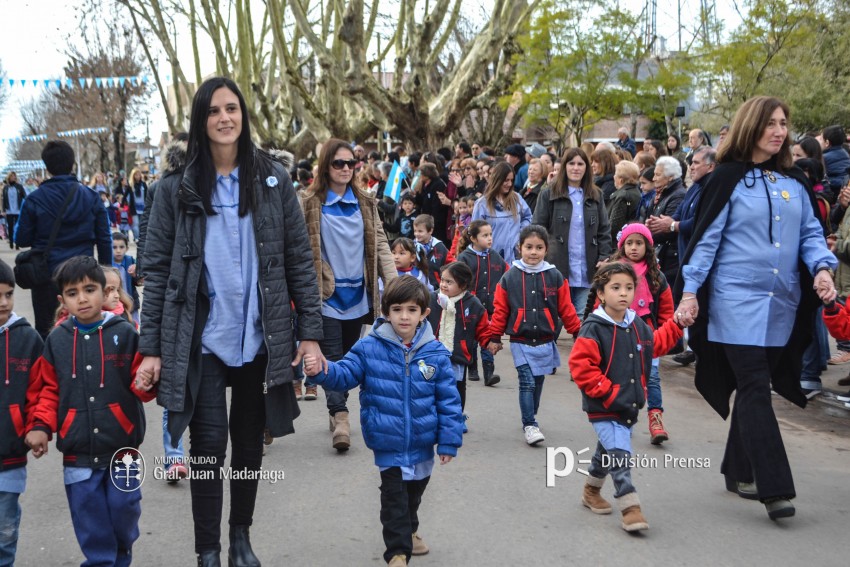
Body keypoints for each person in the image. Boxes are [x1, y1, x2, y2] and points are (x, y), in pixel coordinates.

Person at [138, 77, 325, 566]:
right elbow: (155, 271)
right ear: (201, 121)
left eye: (232, 109)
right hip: (200, 338)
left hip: (260, 339)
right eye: (214, 111)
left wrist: (310, 335)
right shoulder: (173, 190)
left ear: (243, 116)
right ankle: (208, 550)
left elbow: (298, 261)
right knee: (207, 444)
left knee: (248, 444)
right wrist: (152, 347)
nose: (225, 118)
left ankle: (240, 536)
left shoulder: (272, 180)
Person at [677, 95, 837, 520]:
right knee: (752, 383)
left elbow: (810, 235)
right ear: (751, 127)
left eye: (784, 123)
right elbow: (706, 241)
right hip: (734, 300)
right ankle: (774, 487)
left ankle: (736, 468)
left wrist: (821, 270)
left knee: (756, 385)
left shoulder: (796, 181)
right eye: (770, 123)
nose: (779, 131)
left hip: (781, 302)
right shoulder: (726, 178)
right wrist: (690, 292)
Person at [302, 276, 463, 567]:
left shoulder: (436, 353)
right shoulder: (368, 347)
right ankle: (398, 554)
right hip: (387, 441)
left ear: (424, 313)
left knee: (413, 495)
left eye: (412, 309)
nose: (404, 316)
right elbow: (344, 374)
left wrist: (450, 440)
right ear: (386, 312)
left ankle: (411, 528)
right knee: (394, 499)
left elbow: (449, 400)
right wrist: (320, 370)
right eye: (397, 309)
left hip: (424, 442)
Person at [25, 256, 156, 566]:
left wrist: (145, 381)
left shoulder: (124, 334)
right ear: (62, 300)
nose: (82, 298)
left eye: (89, 289)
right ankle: (101, 562)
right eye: (73, 293)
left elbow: (142, 385)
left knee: (125, 508)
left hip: (123, 448)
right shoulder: (56, 340)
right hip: (77, 451)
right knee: (89, 517)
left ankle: (122, 550)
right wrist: (41, 425)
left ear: (105, 291)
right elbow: (46, 389)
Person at [569, 262, 685, 532]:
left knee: (607, 450)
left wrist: (677, 324)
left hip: (628, 405)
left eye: (629, 288)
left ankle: (590, 491)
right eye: (616, 287)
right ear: (600, 293)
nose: (623, 293)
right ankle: (630, 507)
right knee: (620, 454)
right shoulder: (593, 328)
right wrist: (609, 392)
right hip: (603, 405)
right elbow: (581, 368)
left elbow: (655, 345)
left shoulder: (638, 326)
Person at [302, 137, 396, 453]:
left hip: (358, 297)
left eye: (350, 163)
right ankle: (340, 417)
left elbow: (381, 244)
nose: (345, 168)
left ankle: (336, 405)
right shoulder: (309, 203)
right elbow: (299, 251)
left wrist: (393, 286)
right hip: (324, 297)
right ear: (325, 167)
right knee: (332, 357)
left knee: (348, 356)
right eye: (337, 163)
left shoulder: (366, 202)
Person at [487, 225, 582, 445]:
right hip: (520, 339)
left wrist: (578, 331)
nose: (533, 252)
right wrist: (494, 337)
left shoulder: (554, 276)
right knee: (527, 382)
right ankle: (529, 424)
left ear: (546, 250)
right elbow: (500, 310)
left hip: (546, 340)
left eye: (539, 247)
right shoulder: (510, 277)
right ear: (520, 248)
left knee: (538, 382)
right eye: (528, 247)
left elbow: (566, 307)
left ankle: (532, 413)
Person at [14, 140, 112, 339]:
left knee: (46, 330)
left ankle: (50, 369)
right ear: (72, 163)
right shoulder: (91, 197)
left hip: (47, 275)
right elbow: (104, 239)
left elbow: (21, 238)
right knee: (87, 329)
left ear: (47, 167)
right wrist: (105, 273)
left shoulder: (34, 199)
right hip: (85, 275)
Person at [605, 224, 675, 444]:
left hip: (648, 335)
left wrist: (666, 334)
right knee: (623, 377)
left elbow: (666, 310)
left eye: (639, 243)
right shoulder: (612, 273)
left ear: (648, 246)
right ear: (622, 246)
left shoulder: (657, 277)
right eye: (629, 243)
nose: (634, 248)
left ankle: (656, 418)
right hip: (619, 334)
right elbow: (601, 303)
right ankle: (624, 417)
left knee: (652, 378)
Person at [648, 147, 717, 367]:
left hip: (696, 257)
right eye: (692, 163)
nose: (692, 167)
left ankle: (702, 352)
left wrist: (672, 225)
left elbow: (700, 222)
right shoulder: (694, 188)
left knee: (699, 307)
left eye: (696, 162)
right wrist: (665, 223)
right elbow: (678, 216)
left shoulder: (712, 188)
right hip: (685, 254)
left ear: (711, 166)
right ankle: (693, 347)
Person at [533, 147, 613, 316]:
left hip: (587, 269)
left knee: (583, 321)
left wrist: (604, 257)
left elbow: (604, 230)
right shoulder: (548, 194)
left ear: (586, 167)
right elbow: (537, 229)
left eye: (580, 164)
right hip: (556, 267)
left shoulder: (596, 195)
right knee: (552, 320)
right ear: (564, 167)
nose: (576, 168)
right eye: (571, 163)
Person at [0, 261, 43, 567]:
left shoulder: (27, 339)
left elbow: (43, 391)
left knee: (4, 531)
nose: (3, 302)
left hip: (10, 456)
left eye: (8, 294)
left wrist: (38, 426)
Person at [427, 262, 490, 432]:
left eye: (449, 282)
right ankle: (433, 417)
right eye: (443, 280)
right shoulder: (432, 299)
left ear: (462, 285)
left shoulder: (473, 304)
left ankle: (457, 417)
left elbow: (483, 328)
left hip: (458, 355)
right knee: (431, 386)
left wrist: (489, 342)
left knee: (456, 389)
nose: (443, 285)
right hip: (431, 354)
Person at [456, 220, 508, 386]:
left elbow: (506, 274)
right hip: (470, 307)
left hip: (490, 307)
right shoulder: (464, 257)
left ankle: (489, 372)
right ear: (473, 238)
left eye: (490, 235)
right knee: (471, 339)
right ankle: (472, 368)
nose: (489, 238)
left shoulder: (495, 256)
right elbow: (458, 279)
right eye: (485, 235)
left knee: (489, 337)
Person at [470, 161, 532, 264]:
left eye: (511, 180)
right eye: (506, 180)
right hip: (492, 260)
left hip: (515, 259)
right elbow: (475, 231)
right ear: (497, 180)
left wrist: (520, 233)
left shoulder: (516, 198)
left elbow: (528, 217)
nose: (509, 184)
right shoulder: (482, 204)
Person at [645, 156, 686, 285]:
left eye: (657, 175)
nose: (653, 178)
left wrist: (644, 236)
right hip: (660, 254)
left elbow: (667, 229)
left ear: (670, 177)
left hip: (669, 259)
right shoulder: (660, 194)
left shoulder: (678, 195)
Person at [607, 161, 641, 243]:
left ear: (621, 180)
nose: (613, 177)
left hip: (619, 243)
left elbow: (614, 226)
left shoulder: (622, 196)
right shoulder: (636, 192)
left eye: (615, 174)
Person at [413, 215, 449, 288]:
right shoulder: (411, 246)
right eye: (415, 231)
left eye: (420, 231)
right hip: (416, 288)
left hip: (435, 287)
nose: (417, 234)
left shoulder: (440, 247)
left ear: (430, 231)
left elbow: (451, 264)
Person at [111, 232, 140, 322]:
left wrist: (137, 275)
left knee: (132, 326)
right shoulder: (107, 264)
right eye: (114, 247)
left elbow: (137, 281)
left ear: (127, 248)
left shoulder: (130, 261)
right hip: (115, 303)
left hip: (131, 302)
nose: (118, 250)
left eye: (121, 247)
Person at [818, 125, 850, 194]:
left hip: (834, 192)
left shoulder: (823, 158)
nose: (818, 141)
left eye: (820, 139)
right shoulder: (845, 153)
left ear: (827, 143)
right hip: (845, 188)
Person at [2, 173, 26, 250]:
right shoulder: (5, 187)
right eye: (12, 176)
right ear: (9, 178)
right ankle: (11, 241)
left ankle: (17, 243)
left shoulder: (19, 187)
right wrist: (3, 210)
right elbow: (3, 199)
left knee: (17, 227)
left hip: (18, 210)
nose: (13, 177)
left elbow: (24, 196)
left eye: (14, 176)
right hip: (9, 210)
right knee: (10, 227)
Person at [127, 168, 148, 241]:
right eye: (136, 174)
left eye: (139, 174)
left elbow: (147, 195)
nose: (137, 176)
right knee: (135, 224)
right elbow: (126, 196)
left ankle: (142, 237)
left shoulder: (143, 184)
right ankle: (136, 237)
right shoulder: (130, 185)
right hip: (134, 208)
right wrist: (123, 205)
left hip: (143, 207)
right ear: (133, 176)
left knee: (142, 224)